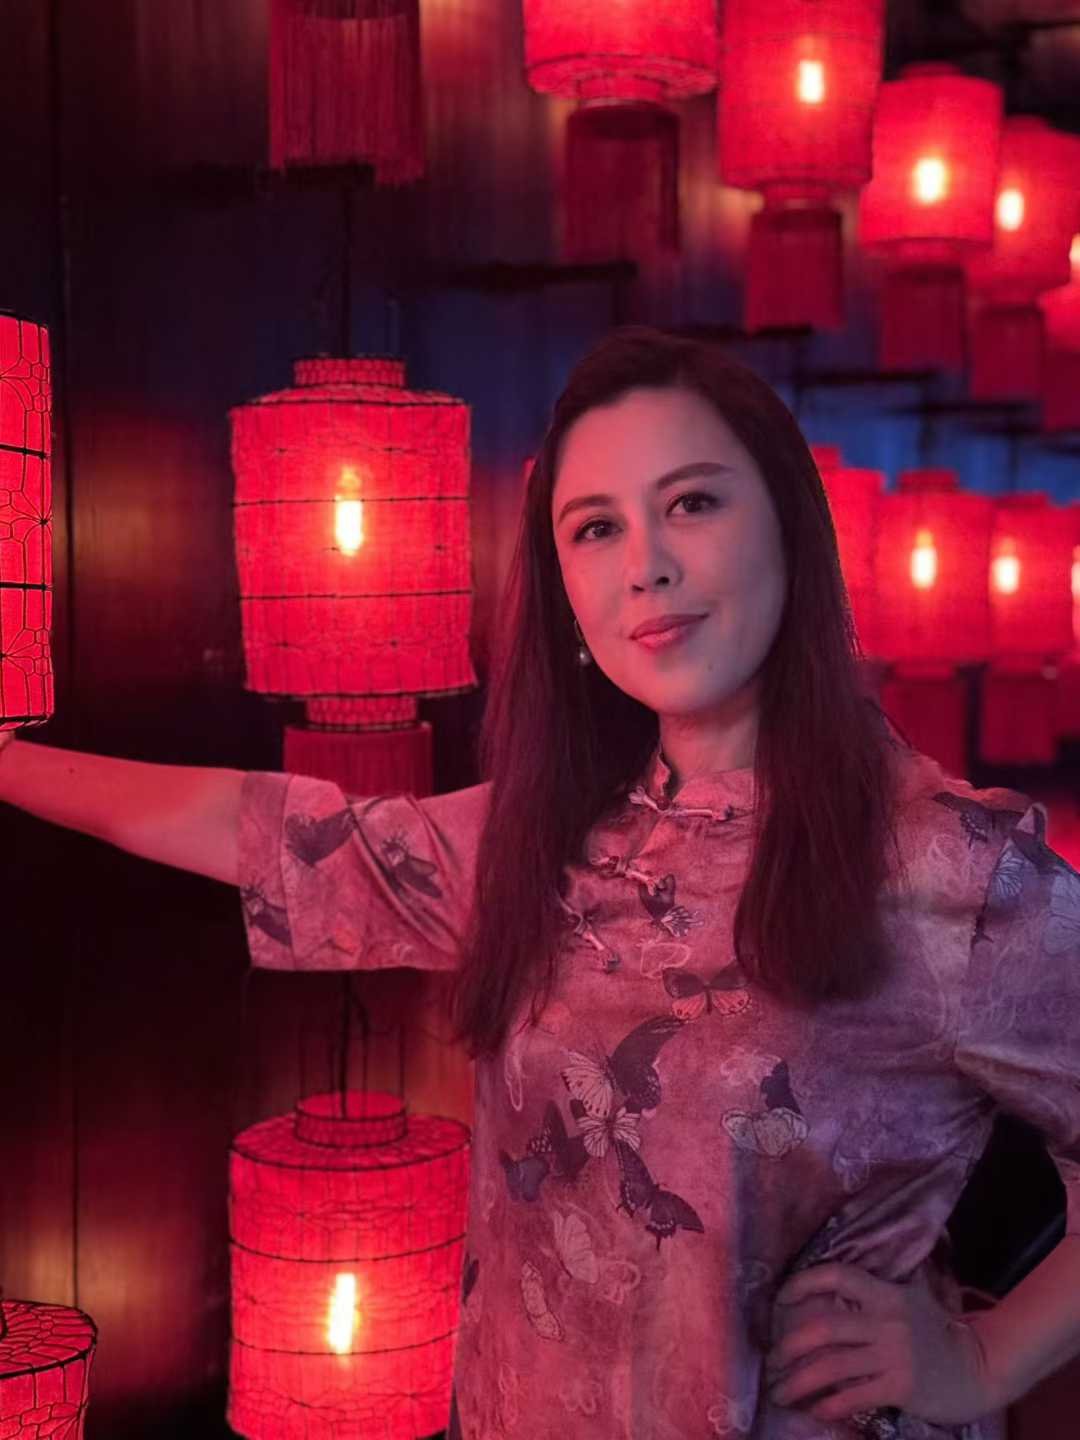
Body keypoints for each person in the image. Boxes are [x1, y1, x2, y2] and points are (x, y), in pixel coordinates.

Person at [3, 325, 1080, 1440]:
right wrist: (6, 761)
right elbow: (288, 838)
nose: (646, 565)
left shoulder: (946, 867)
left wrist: (985, 1357)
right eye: (596, 528)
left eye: (693, 503)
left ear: (789, 527)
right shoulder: (552, 838)